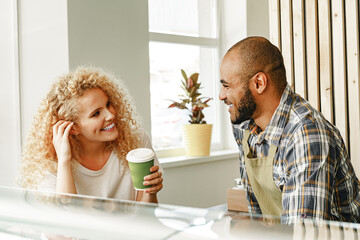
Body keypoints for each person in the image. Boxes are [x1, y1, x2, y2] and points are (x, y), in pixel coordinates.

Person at [219, 36, 360, 224]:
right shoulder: (243, 125)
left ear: (259, 83)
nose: (221, 95)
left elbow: (305, 233)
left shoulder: (307, 134)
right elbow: (258, 213)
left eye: (227, 86)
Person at [18, 67, 163, 203]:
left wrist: (151, 191)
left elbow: (143, 219)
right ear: (73, 128)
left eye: (108, 104)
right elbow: (65, 219)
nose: (110, 115)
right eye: (96, 114)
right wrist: (64, 160)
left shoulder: (135, 141)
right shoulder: (50, 164)